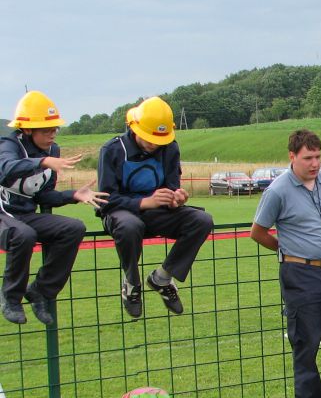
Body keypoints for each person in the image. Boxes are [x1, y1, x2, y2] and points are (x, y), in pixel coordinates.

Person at [250, 129, 321, 398]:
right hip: (299, 272)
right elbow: (257, 232)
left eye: (318, 157)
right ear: (292, 157)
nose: (314, 163)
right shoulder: (278, 191)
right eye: (308, 157)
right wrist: (287, 250)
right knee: (306, 342)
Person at [98, 96, 213, 318]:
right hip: (120, 213)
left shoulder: (169, 148)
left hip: (157, 213)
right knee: (130, 226)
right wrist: (144, 202)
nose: (154, 144)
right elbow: (105, 199)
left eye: (160, 139)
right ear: (134, 128)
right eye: (149, 138)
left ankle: (162, 278)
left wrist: (176, 198)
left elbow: (171, 186)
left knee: (202, 220)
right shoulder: (112, 150)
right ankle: (131, 282)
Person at [0, 90, 106, 325]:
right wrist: (42, 161)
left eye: (55, 129)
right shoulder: (8, 145)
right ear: (27, 129)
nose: (53, 134)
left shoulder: (53, 151)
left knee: (74, 228)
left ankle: (40, 291)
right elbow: (5, 169)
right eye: (46, 129)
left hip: (24, 215)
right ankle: (10, 297)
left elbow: (44, 196)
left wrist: (74, 195)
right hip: (3, 214)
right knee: (23, 235)